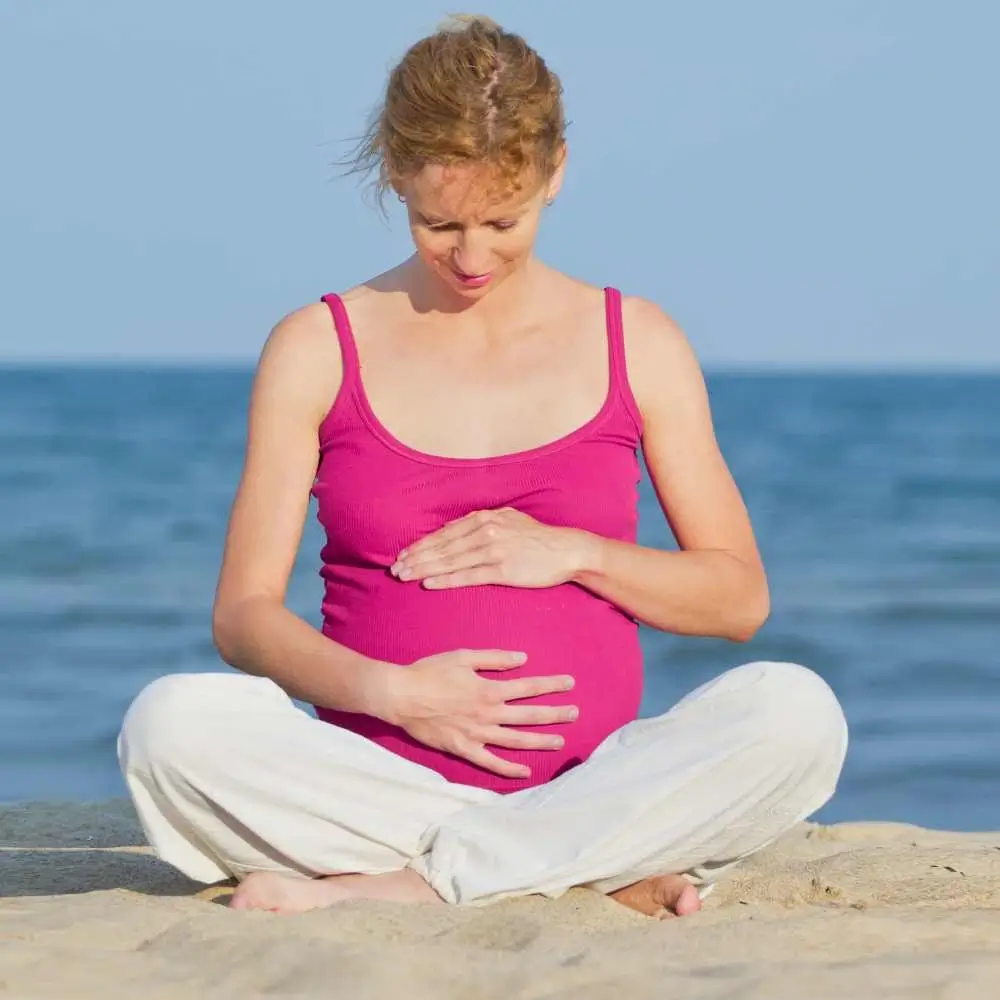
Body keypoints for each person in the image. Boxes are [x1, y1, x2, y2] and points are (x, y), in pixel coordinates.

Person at [118, 15, 848, 918]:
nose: (471, 257)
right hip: (378, 788)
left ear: (557, 173)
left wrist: (576, 553)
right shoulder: (317, 349)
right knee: (168, 727)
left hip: (590, 777)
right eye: (439, 222)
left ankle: (427, 882)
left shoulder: (640, 343)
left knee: (796, 713)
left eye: (504, 221)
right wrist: (399, 695)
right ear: (394, 176)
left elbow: (738, 600)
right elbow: (243, 619)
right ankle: (571, 864)